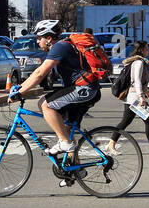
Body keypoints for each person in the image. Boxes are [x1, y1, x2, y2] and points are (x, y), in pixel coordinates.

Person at [8, 19, 97, 155]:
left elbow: (40, 74)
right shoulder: (61, 46)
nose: (37, 41)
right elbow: (38, 71)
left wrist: (19, 93)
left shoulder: (60, 47)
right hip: (86, 89)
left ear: (48, 38)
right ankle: (74, 170)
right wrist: (20, 87)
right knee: (66, 129)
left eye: (39, 38)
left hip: (84, 89)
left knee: (45, 104)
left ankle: (65, 143)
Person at [109, 41, 149, 154]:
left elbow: (138, 81)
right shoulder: (139, 62)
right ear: (141, 50)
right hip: (135, 98)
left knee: (125, 121)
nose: (148, 50)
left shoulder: (136, 61)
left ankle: (111, 143)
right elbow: (136, 80)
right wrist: (141, 97)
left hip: (132, 96)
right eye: (147, 48)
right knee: (148, 121)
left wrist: (147, 91)